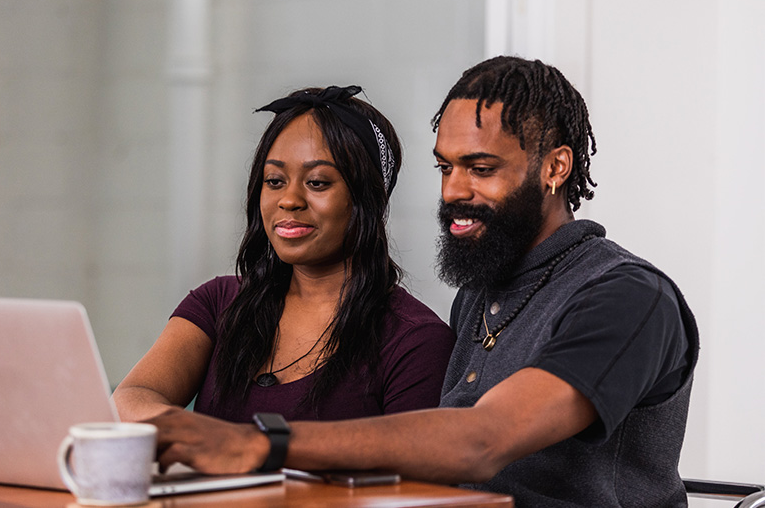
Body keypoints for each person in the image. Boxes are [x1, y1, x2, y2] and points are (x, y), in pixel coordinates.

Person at [146, 58, 699, 507]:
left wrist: (259, 444)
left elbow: (484, 440)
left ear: (555, 168)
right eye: (444, 168)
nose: (453, 190)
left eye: (480, 169)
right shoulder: (481, 299)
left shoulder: (627, 298)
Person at [113, 85, 455, 425]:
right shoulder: (218, 303)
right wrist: (206, 441)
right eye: (274, 181)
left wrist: (227, 445)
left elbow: (413, 475)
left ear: (367, 198)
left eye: (317, 182)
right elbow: (130, 400)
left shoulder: (415, 341)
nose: (289, 200)